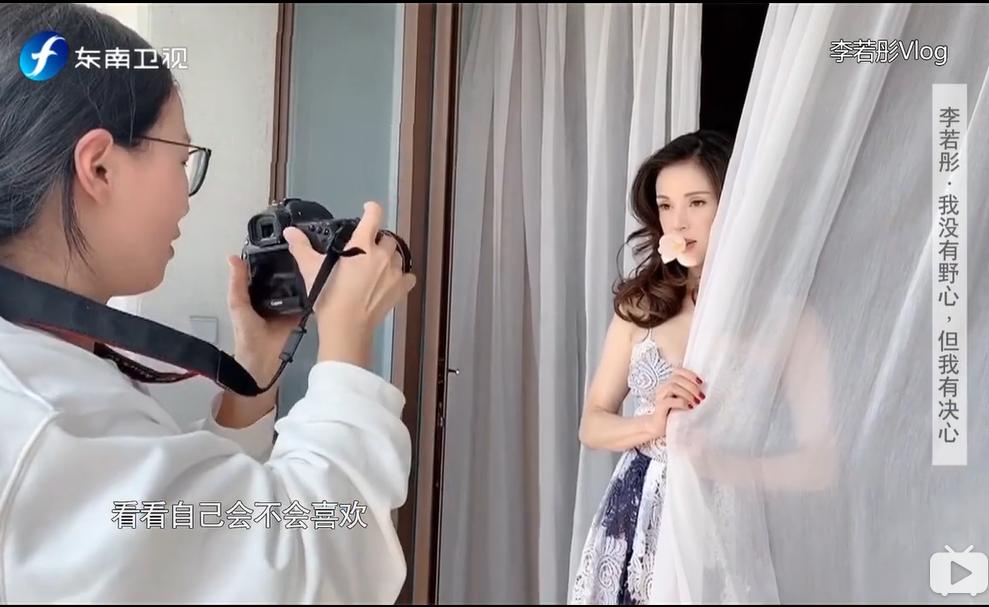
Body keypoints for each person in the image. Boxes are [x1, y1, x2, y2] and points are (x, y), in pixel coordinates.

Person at [0, 3, 416, 602]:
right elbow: (310, 569)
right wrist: (347, 345)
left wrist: (253, 372)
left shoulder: (38, 376)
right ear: (100, 168)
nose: (186, 196)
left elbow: (181, 537)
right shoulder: (50, 424)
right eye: (181, 159)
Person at [570, 130, 732, 605]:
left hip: (724, 516)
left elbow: (818, 463)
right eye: (665, 206)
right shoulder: (641, 306)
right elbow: (592, 424)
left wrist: (732, 465)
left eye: (697, 202)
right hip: (638, 511)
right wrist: (651, 425)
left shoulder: (776, 317)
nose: (678, 221)